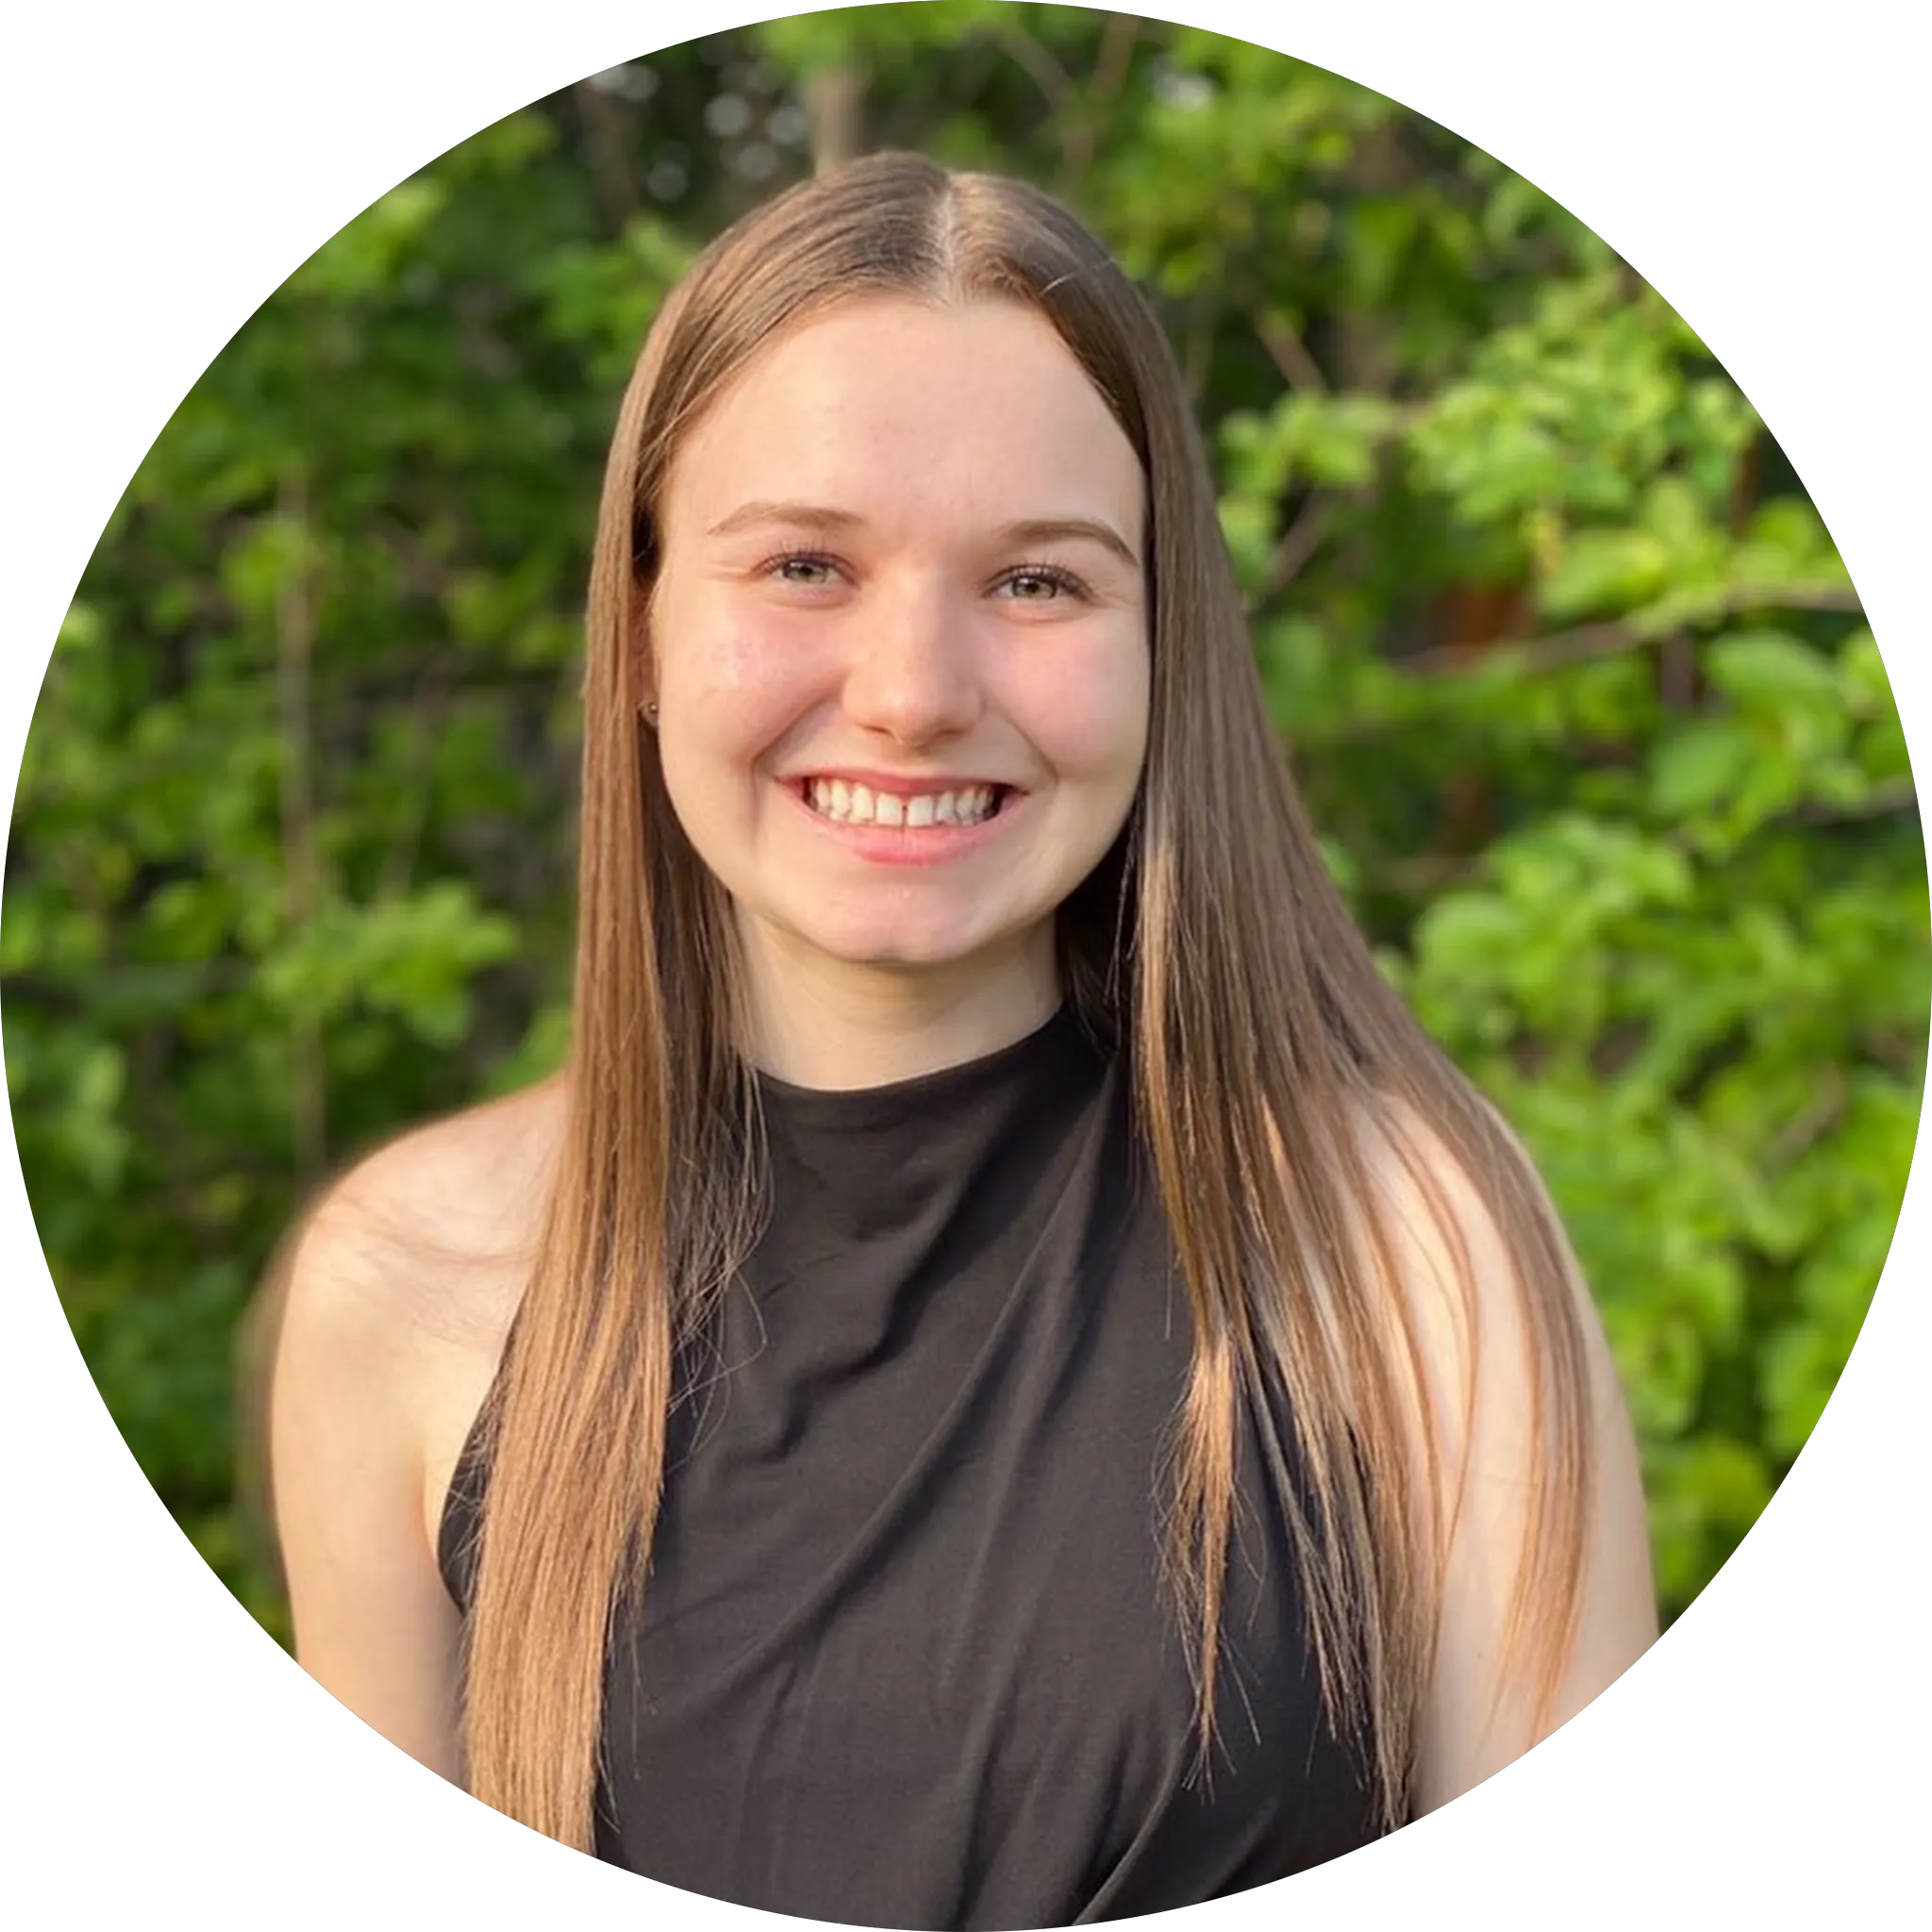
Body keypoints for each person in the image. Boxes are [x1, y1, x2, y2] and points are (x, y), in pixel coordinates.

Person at [266, 150, 1657, 1926]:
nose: (914, 692)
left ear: (1159, 646)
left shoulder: (1406, 1249)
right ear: (640, 634)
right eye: (803, 565)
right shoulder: (409, 1292)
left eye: (1038, 583)